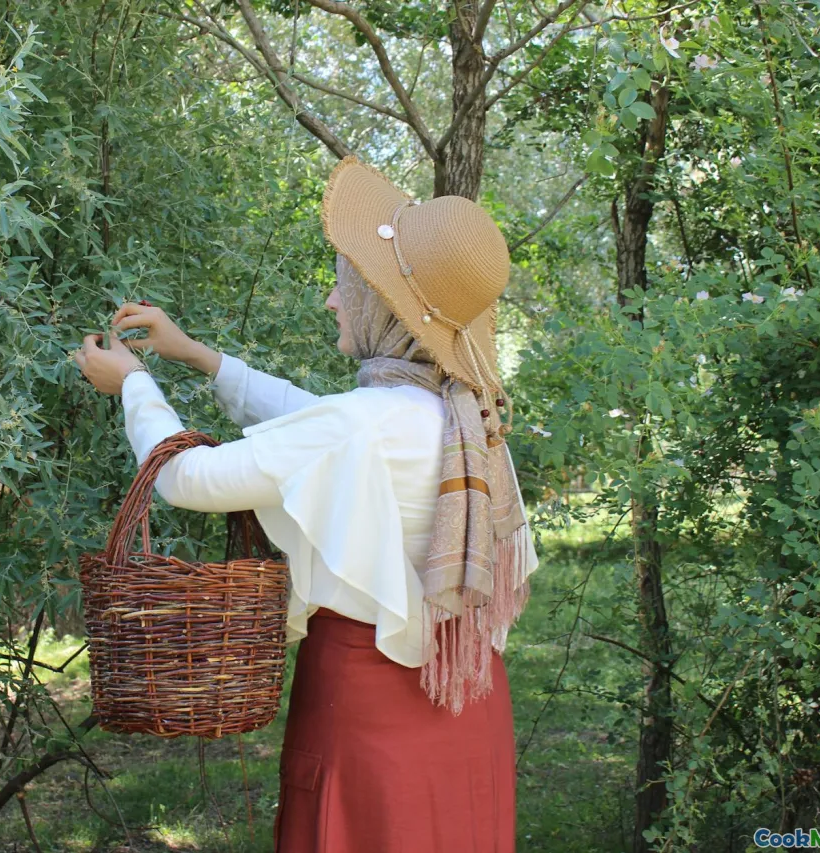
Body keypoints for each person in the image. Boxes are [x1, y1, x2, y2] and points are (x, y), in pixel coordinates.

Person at [74, 154, 538, 853]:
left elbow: (187, 479)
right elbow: (322, 421)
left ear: (386, 306)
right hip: (466, 702)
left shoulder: (366, 424)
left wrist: (136, 384)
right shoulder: (469, 418)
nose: (331, 299)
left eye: (348, 284)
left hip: (367, 713)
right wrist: (202, 357)